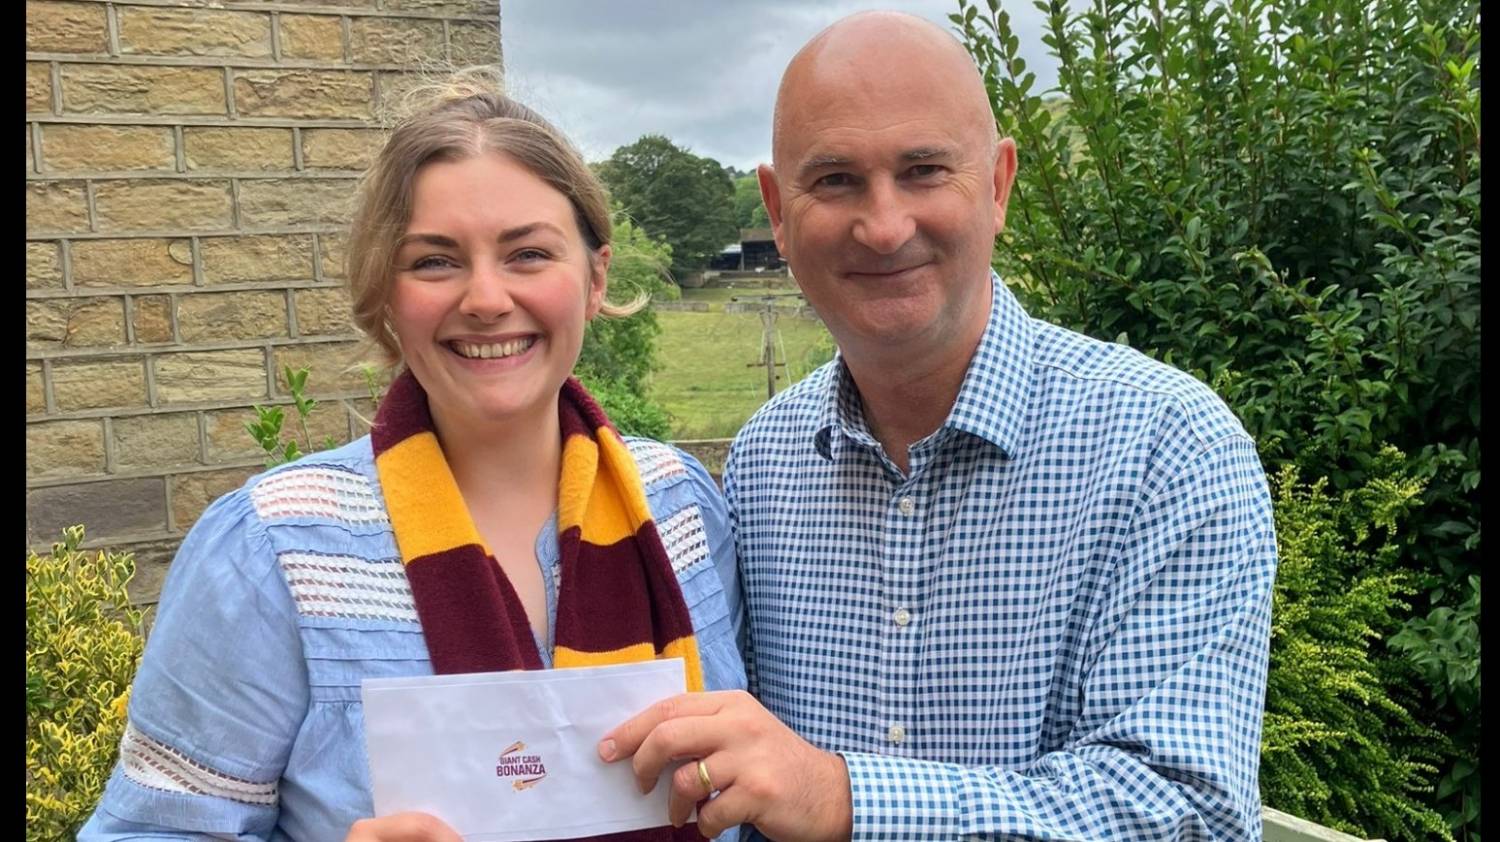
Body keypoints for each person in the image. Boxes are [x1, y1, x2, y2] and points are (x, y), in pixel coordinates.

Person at [600, 12, 1277, 842]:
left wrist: (845, 798)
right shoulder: (765, 461)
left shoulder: (1169, 449)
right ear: (777, 210)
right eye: (836, 180)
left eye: (923, 171)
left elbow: (1189, 813)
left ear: (997, 185)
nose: (884, 226)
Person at [80, 69, 745, 842]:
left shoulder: (681, 508)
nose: (486, 298)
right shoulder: (274, 550)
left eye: (529, 253)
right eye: (434, 261)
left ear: (594, 278)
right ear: (386, 294)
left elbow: (746, 786)